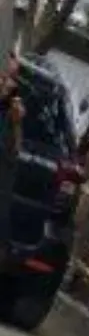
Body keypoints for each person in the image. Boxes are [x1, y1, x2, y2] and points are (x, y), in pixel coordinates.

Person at [0, 54, 24, 271]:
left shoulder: (10, 115)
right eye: (6, 76)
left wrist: (17, 125)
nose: (10, 82)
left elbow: (15, 152)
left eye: (13, 78)